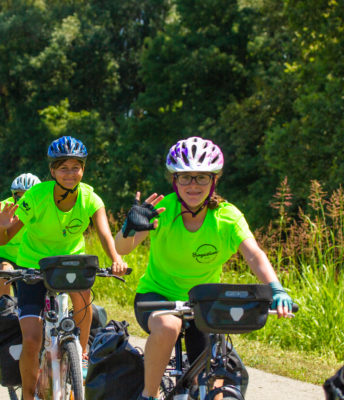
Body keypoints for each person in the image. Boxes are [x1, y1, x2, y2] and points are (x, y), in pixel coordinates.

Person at [113, 136, 294, 400]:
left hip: (203, 303)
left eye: (201, 177)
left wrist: (275, 288)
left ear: (214, 180)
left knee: (212, 380)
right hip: (157, 296)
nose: (193, 185)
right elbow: (122, 248)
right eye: (185, 177)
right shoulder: (163, 210)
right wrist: (130, 226)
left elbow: (254, 254)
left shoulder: (227, 216)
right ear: (175, 181)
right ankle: (148, 395)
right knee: (168, 326)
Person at [0, 136, 127, 400]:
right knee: (31, 340)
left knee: (83, 296)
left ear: (83, 169)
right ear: (52, 171)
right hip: (33, 265)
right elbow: (3, 239)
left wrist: (116, 258)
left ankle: (80, 354)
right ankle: (28, 396)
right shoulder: (36, 196)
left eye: (75, 167)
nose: (70, 173)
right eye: (63, 168)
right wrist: (1, 223)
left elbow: (104, 234)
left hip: (71, 263)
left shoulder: (90, 198)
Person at [0, 173, 41, 300]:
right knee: (6, 271)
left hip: (29, 258)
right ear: (13, 195)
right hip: (3, 256)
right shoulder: (2, 208)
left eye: (29, 197)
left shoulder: (42, 209)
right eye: (20, 196)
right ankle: (2, 311)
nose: (24, 202)